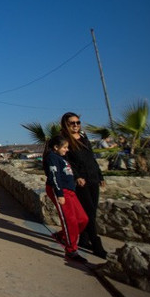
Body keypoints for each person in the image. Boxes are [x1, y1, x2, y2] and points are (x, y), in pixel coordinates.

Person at [60, 112, 108, 259]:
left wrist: (100, 175)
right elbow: (66, 161)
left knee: (91, 211)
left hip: (92, 177)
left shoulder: (84, 138)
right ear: (66, 125)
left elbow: (91, 158)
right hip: (81, 181)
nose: (75, 125)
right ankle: (96, 244)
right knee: (89, 212)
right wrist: (76, 176)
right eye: (72, 123)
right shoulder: (65, 141)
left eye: (77, 122)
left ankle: (84, 240)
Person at [44, 135, 89, 264]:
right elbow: (54, 176)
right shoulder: (52, 158)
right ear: (56, 147)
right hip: (61, 190)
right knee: (70, 221)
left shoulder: (61, 158)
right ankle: (71, 250)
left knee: (82, 219)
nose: (66, 150)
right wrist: (59, 194)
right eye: (64, 147)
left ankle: (62, 236)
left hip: (70, 191)